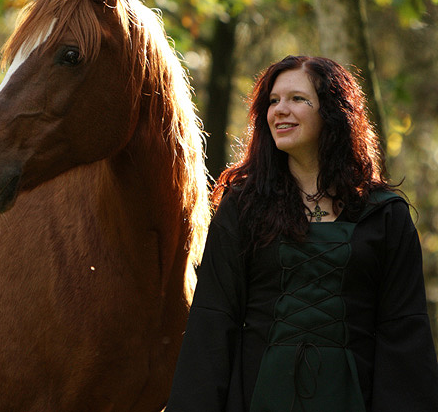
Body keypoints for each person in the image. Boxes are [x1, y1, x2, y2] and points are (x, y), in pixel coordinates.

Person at [166, 55, 438, 411]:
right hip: (259, 398)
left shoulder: (383, 216)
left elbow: (402, 335)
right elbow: (213, 321)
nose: (280, 110)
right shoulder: (244, 208)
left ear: (333, 112)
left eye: (297, 99)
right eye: (273, 101)